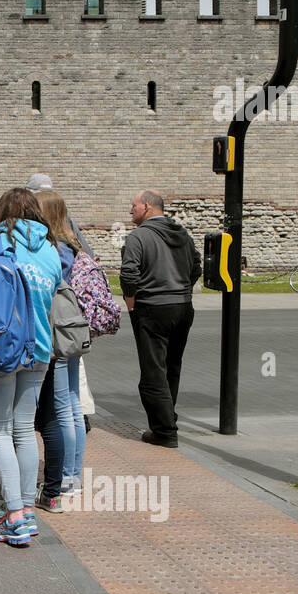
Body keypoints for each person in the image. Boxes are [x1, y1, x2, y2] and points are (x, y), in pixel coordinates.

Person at [0, 188, 62, 544]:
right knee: (24, 431)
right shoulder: (51, 249)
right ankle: (28, 512)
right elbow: (56, 288)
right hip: (40, 350)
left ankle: (14, 515)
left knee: (0, 431)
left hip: (1, 349)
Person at [120, 189, 201, 449]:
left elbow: (129, 275)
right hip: (182, 306)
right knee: (171, 366)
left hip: (152, 308)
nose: (130, 210)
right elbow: (197, 266)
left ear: (146, 207)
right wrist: (182, 290)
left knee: (153, 370)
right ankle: (168, 417)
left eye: (133, 206)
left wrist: (131, 303)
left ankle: (164, 430)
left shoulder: (139, 237)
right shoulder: (182, 234)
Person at [33, 191, 86, 500]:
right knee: (73, 406)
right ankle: (73, 474)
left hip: (57, 332)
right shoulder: (74, 244)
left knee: (63, 408)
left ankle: (67, 476)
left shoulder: (55, 250)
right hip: (71, 329)